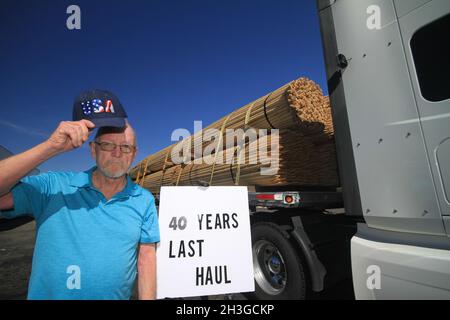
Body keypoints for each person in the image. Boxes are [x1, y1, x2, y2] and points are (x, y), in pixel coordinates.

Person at [0, 90, 160, 300]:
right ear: (93, 150)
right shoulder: (53, 186)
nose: (117, 153)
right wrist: (51, 147)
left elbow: (146, 258)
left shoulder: (144, 200)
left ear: (135, 153)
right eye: (108, 145)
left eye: (125, 147)